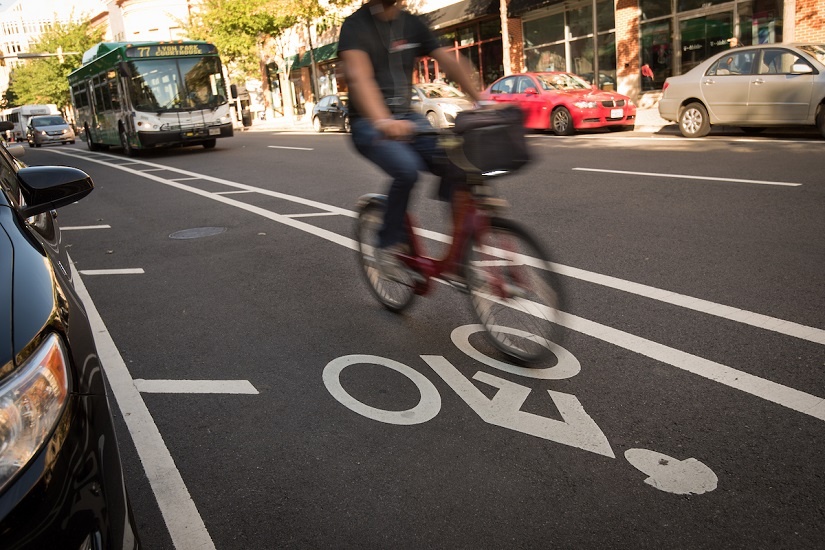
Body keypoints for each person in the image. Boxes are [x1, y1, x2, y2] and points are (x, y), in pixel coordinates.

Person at [338, 0, 481, 280]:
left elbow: (450, 61)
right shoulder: (355, 26)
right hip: (368, 122)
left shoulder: (412, 24)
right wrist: (382, 120)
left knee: (459, 162)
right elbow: (359, 77)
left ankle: (458, 259)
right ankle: (387, 244)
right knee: (406, 170)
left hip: (407, 117)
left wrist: (483, 101)